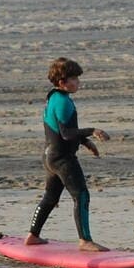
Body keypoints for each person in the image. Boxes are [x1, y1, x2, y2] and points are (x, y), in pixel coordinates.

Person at [24, 57, 111, 252]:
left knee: (50, 197)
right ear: (62, 82)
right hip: (63, 159)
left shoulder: (54, 98)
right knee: (81, 195)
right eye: (74, 79)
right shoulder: (62, 102)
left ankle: (33, 236)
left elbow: (62, 130)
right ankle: (85, 240)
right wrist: (92, 130)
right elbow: (66, 133)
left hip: (49, 157)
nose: (78, 83)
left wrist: (85, 142)